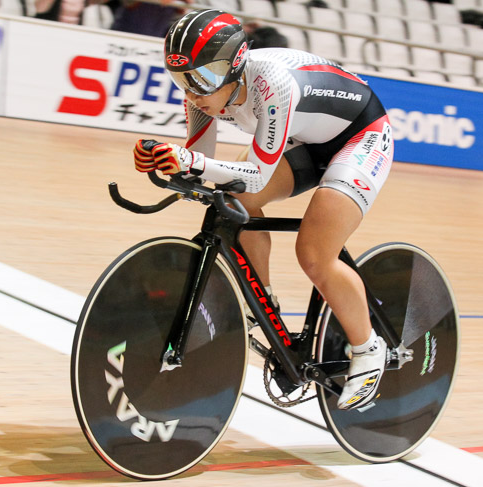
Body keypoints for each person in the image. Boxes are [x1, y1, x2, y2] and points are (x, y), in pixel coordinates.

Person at [133, 9, 393, 411]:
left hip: (359, 139)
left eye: (199, 80)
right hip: (305, 139)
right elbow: (199, 157)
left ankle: (369, 348)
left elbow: (252, 174)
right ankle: (263, 306)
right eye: (181, 80)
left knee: (314, 254)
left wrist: (191, 163)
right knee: (236, 202)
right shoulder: (207, 91)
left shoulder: (272, 84)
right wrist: (168, 162)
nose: (191, 92)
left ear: (234, 66)